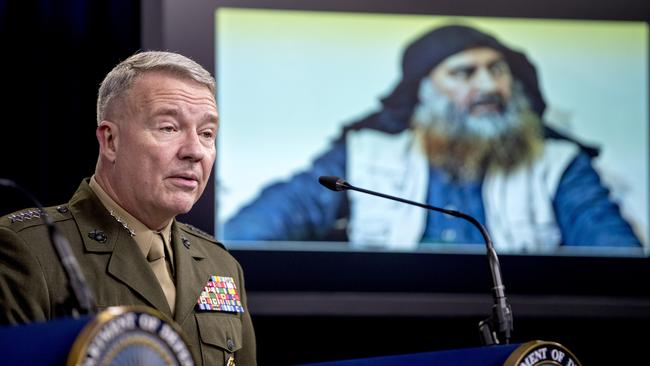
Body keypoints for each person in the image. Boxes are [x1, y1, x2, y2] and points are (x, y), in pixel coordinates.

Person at [224, 24, 642, 252]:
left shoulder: (558, 164)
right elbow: (262, 225)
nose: (491, 86)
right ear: (425, 90)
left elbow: (614, 258)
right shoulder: (365, 152)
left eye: (498, 70)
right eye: (464, 73)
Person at [0, 51, 256, 365]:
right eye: (168, 128)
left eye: (206, 134)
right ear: (110, 141)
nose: (195, 151)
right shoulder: (27, 249)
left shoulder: (220, 264)